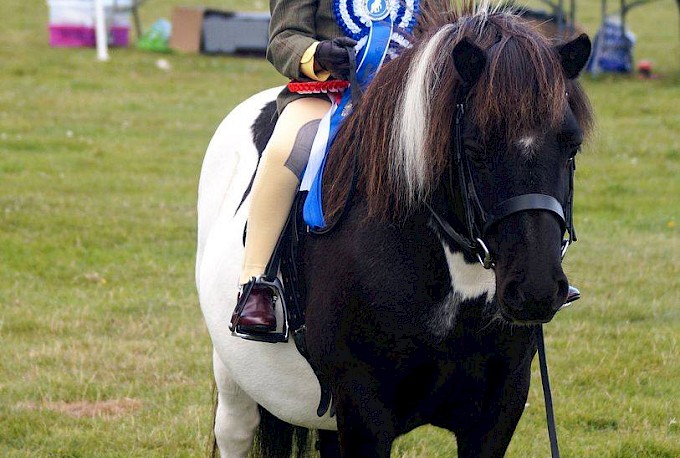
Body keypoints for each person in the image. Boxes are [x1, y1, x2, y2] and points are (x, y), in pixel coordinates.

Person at [230, 0, 357, 334]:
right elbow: (285, 36)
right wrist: (317, 54)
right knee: (290, 147)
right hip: (326, 93)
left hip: (409, 93)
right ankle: (256, 284)